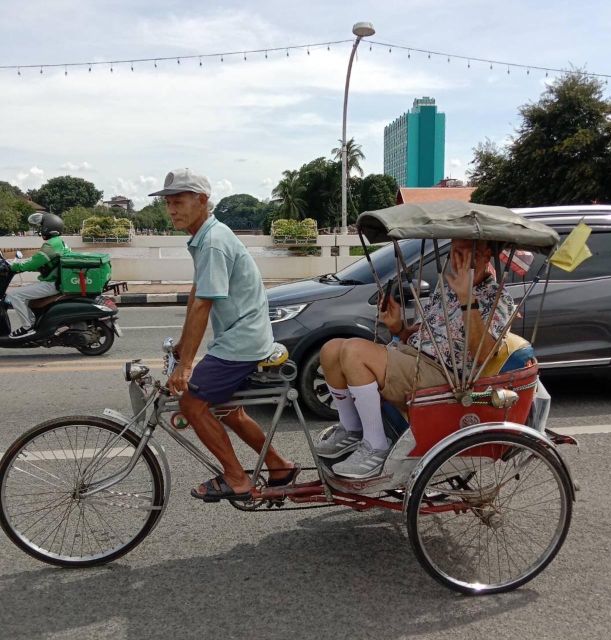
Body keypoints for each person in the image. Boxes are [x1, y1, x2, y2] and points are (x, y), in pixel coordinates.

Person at [149, 168, 298, 501]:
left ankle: (237, 478)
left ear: (202, 201)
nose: (172, 210)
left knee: (192, 403)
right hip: (240, 336)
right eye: (168, 203)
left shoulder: (213, 241)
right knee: (227, 408)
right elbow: (196, 293)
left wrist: (186, 366)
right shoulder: (205, 237)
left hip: (242, 340)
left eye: (179, 202)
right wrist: (184, 346)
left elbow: (203, 305)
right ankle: (279, 465)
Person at [316, 239, 516, 479]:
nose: (457, 259)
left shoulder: (499, 299)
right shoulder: (446, 288)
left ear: (486, 255)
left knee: (354, 351)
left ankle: (376, 446)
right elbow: (422, 333)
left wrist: (467, 299)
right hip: (413, 357)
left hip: (445, 377)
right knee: (331, 349)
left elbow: (484, 352)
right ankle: (352, 429)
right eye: (454, 252)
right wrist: (398, 326)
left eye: (466, 253)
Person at [6, 212, 68, 338]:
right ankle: (34, 322)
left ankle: (27, 327)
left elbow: (35, 262)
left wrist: (14, 266)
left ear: (48, 228)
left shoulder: (51, 245)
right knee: (25, 296)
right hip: (56, 280)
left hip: (52, 284)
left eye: (42, 226)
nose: (40, 230)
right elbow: (42, 263)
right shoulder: (59, 242)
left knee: (14, 295)